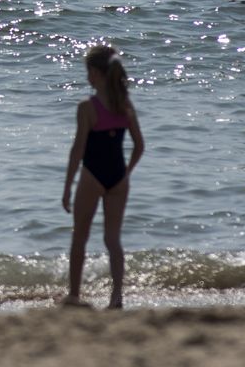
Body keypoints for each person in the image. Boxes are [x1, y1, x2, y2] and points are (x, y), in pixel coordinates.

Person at [61, 45, 145, 309]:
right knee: (112, 240)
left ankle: (74, 295)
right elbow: (140, 145)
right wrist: (125, 174)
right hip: (118, 177)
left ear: (96, 74)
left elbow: (78, 150)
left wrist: (67, 187)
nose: (86, 76)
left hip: (92, 176)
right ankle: (116, 297)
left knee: (79, 237)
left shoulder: (88, 107)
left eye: (88, 71)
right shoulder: (125, 104)